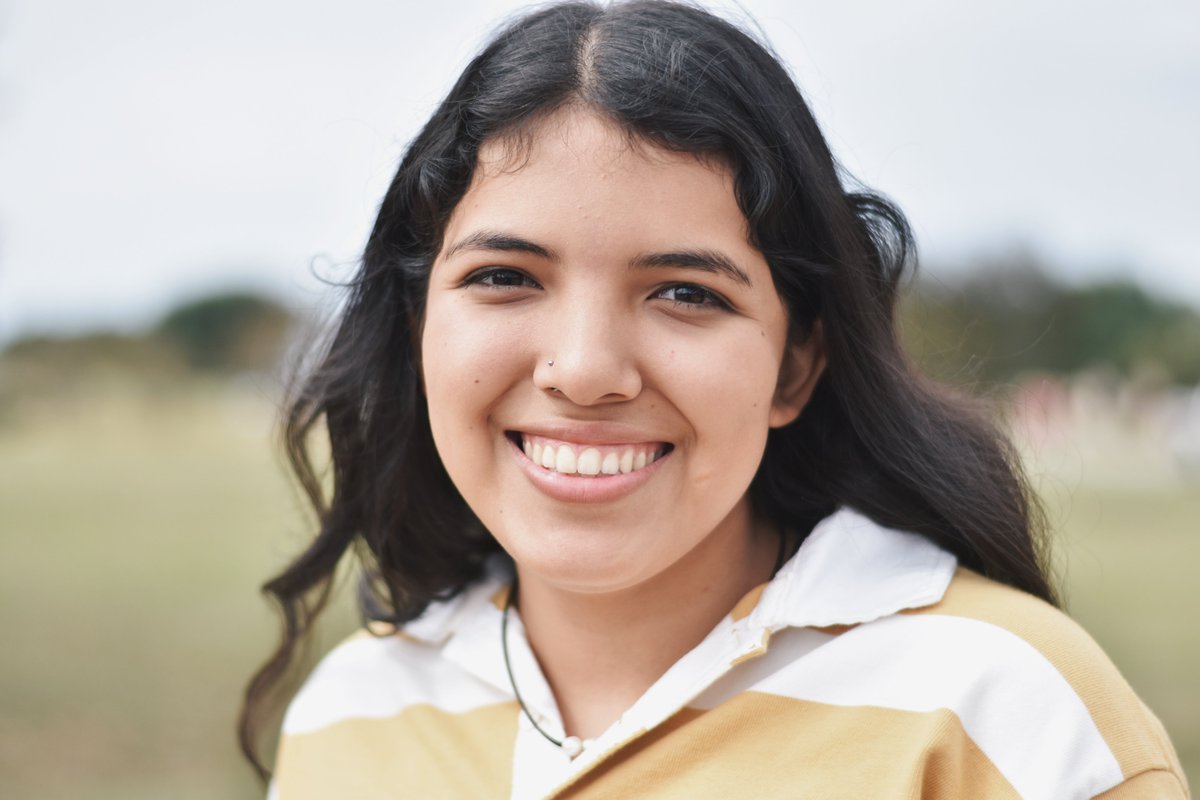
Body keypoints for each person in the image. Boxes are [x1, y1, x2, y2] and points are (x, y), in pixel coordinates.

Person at [239, 2, 1189, 797]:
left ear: (795, 364)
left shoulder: (1006, 712)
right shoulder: (350, 717)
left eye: (686, 292)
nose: (584, 369)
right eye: (505, 277)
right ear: (417, 328)